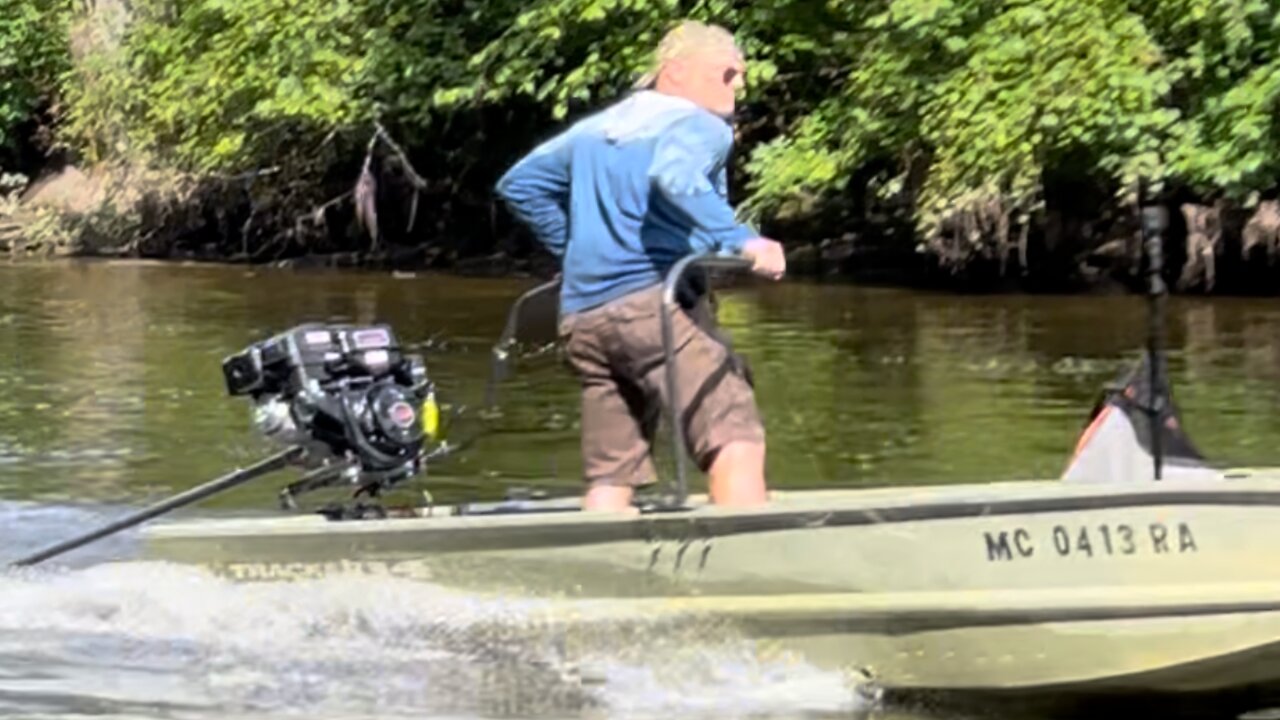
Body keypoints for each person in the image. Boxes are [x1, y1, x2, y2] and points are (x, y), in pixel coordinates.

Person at [494, 20, 787, 512]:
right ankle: (748, 556)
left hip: (585, 320)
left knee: (613, 468)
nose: (739, 85)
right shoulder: (699, 125)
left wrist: (576, 251)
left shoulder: (594, 131)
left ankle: (602, 561)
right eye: (728, 73)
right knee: (733, 430)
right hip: (653, 307)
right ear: (674, 73)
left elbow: (520, 184)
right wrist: (744, 240)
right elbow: (674, 176)